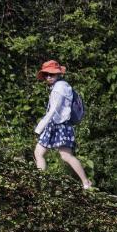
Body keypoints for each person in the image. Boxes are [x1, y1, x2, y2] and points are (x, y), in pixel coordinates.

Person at [33, 60, 92, 190]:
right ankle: (41, 182)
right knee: (38, 152)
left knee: (66, 156)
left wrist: (39, 128)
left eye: (51, 74)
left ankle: (86, 182)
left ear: (58, 74)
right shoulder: (60, 86)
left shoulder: (59, 89)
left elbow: (53, 110)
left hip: (60, 126)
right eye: (46, 74)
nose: (48, 77)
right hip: (54, 125)